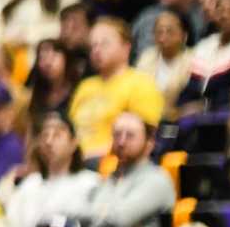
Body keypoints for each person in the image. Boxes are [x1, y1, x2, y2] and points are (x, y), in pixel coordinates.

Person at [84, 112, 178, 227]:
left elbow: (119, 221)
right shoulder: (109, 178)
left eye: (130, 136)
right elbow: (87, 217)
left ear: (149, 143)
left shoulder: (157, 179)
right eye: (117, 135)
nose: (121, 142)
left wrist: (94, 217)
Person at [70, 19, 165, 157]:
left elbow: (145, 137)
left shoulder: (141, 83)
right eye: (93, 45)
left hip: (113, 162)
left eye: (104, 43)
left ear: (126, 47)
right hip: (76, 165)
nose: (97, 50)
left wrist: (93, 154)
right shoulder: (85, 86)